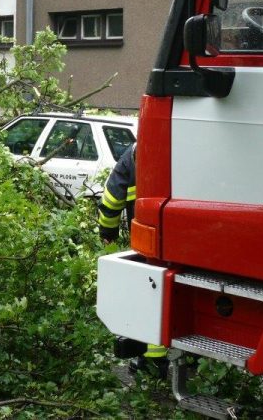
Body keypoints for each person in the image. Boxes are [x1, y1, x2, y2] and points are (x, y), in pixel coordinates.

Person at [96, 143, 167, 378]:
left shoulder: (131, 156)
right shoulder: (179, 150)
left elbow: (111, 201)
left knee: (149, 294)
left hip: (147, 239)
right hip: (181, 240)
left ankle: (152, 361)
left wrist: (108, 236)